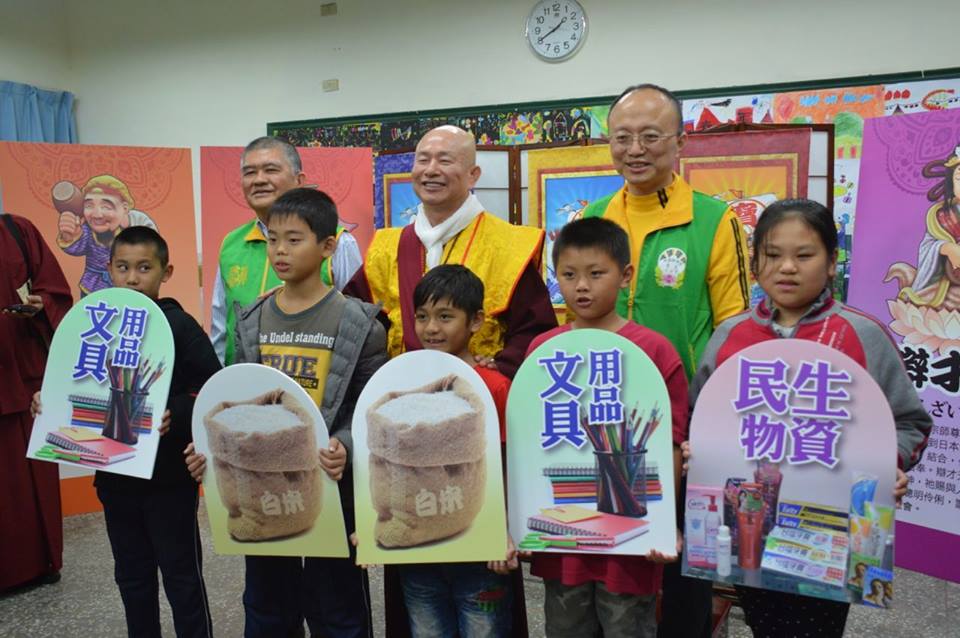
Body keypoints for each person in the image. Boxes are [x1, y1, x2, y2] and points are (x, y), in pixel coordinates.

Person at [684, 199, 931, 636]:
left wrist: (888, 464)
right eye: (772, 254)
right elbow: (699, 414)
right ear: (756, 263)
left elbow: (910, 423)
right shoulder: (730, 336)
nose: (787, 268)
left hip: (828, 536)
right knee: (763, 622)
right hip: (750, 527)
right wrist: (695, 449)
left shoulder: (862, 335)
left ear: (832, 262)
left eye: (804, 255)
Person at [583, 83, 751, 637]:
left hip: (684, 424)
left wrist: (713, 423)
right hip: (606, 415)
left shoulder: (713, 220)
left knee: (683, 565)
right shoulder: (594, 217)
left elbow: (734, 330)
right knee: (611, 547)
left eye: (650, 136)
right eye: (622, 137)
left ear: (680, 142)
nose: (635, 149)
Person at [187, 187, 387, 638]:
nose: (280, 250)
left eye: (294, 240)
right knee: (267, 606)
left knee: (337, 607)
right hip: (263, 486)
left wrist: (345, 445)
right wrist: (211, 451)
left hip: (331, 486)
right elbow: (241, 402)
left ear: (328, 246)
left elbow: (368, 405)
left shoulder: (359, 322)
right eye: (273, 239)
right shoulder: (253, 318)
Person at [34, 225, 219, 636]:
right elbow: (73, 384)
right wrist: (47, 403)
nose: (132, 278)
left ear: (166, 272)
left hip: (169, 480)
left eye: (144, 268)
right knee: (132, 577)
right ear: (109, 270)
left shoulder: (178, 325)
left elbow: (211, 386)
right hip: (115, 477)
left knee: (182, 577)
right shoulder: (97, 327)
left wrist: (175, 413)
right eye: (123, 267)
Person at [524, 217, 688, 638]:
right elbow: (528, 444)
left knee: (627, 626)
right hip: (564, 542)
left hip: (631, 542)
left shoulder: (653, 350)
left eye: (596, 274)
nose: (581, 286)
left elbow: (669, 443)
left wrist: (665, 522)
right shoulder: (543, 350)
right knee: (565, 627)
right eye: (568, 275)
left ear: (626, 276)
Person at [345, 125, 556, 379]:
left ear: (473, 175)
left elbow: (533, 331)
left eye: (444, 161)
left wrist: (496, 370)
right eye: (423, 160)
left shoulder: (509, 245)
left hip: (479, 391)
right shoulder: (386, 247)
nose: (431, 170)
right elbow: (357, 323)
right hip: (399, 391)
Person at [395, 264, 519, 637]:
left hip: (480, 550)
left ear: (476, 321)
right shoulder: (399, 384)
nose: (431, 328)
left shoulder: (494, 386)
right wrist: (372, 525)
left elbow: (509, 465)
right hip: (419, 549)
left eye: (445, 316)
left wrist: (505, 530)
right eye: (422, 317)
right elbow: (388, 464)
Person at [210, 136, 363, 365]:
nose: (259, 180)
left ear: (299, 180)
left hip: (313, 376)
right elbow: (220, 329)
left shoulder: (337, 242)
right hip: (243, 379)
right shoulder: (231, 243)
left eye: (270, 170)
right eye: (249, 172)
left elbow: (358, 327)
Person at [0, 212, 72, 592]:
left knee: (34, 477)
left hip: (26, 375)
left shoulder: (17, 229)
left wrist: (40, 303)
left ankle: (41, 563)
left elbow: (54, 288)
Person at [56, 174, 157, 296]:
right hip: (92, 288)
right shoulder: (87, 231)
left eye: (106, 207)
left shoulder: (131, 230)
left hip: (126, 288)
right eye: (89, 206)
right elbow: (78, 248)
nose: (97, 215)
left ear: (124, 208)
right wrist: (70, 236)